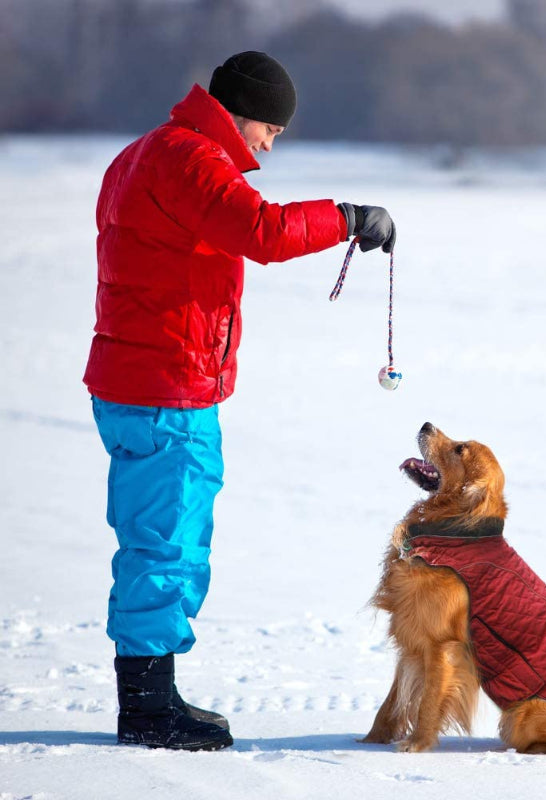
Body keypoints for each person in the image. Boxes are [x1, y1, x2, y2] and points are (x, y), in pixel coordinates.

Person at [83, 51, 396, 752]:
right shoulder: (189, 160)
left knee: (166, 541)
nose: (267, 146)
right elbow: (262, 232)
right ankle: (146, 710)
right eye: (271, 131)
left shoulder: (143, 153)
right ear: (244, 111)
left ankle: (154, 694)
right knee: (165, 545)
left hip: (148, 378)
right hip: (165, 385)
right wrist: (347, 217)